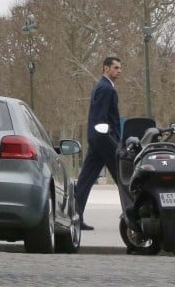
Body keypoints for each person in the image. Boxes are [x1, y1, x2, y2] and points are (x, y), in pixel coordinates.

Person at [72, 56, 123, 231]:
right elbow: (102, 118)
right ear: (105, 69)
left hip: (98, 139)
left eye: (120, 68)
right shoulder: (106, 88)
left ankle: (75, 217)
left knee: (85, 180)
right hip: (105, 140)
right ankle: (133, 217)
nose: (119, 71)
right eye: (116, 68)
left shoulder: (102, 86)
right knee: (124, 179)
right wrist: (112, 140)